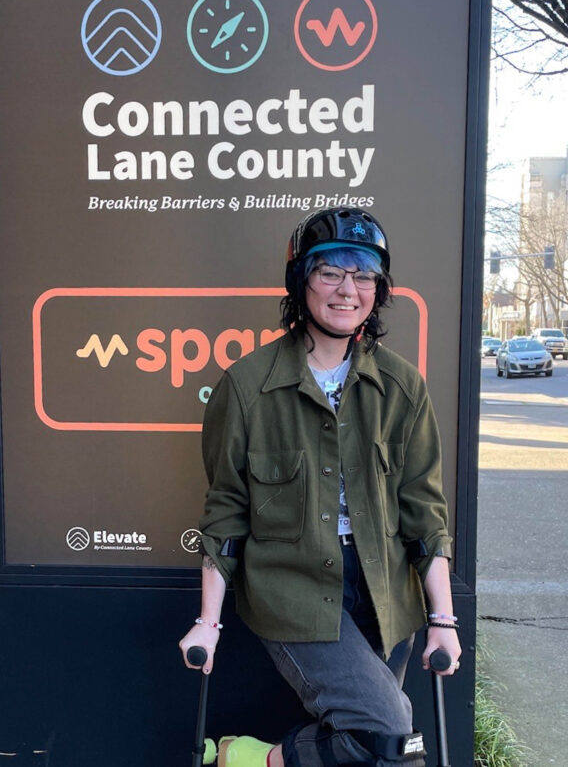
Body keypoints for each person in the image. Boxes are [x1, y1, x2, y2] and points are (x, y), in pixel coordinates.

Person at [178, 207, 461, 767]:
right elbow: (226, 512)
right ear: (300, 281)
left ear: (378, 290)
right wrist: (207, 623)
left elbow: (425, 514)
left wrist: (443, 621)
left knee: (377, 754)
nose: (347, 290)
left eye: (363, 275)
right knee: (388, 733)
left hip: (387, 595)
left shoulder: (403, 387)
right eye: (330, 271)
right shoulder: (246, 387)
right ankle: (250, 760)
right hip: (294, 592)